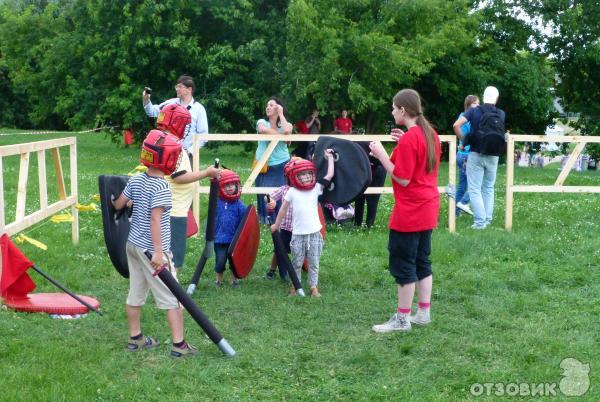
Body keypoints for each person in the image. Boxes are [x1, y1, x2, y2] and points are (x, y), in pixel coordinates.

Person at [113, 130, 197, 358]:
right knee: (173, 297)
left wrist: (129, 200)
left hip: (133, 246)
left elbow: (119, 204)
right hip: (152, 250)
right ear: (168, 158)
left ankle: (136, 339)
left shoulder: (137, 178)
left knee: (135, 292)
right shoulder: (162, 187)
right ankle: (179, 345)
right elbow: (155, 220)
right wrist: (159, 253)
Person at [369, 89, 441, 332]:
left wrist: (380, 155)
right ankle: (423, 313)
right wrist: (403, 142)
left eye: (393, 107)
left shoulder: (412, 137)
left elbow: (402, 178)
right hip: (427, 207)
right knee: (422, 260)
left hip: (410, 212)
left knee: (404, 264)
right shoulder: (429, 133)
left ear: (402, 110)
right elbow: (418, 159)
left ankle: (401, 320)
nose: (391, 111)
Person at [158, 104, 221, 271]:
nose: (186, 129)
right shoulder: (173, 147)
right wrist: (207, 172)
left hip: (169, 208)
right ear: (176, 123)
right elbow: (179, 177)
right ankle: (170, 295)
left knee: (165, 257)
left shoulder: (160, 140)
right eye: (185, 125)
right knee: (173, 261)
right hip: (174, 211)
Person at [270, 151, 335, 297]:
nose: (305, 177)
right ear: (294, 177)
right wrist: (276, 225)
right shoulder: (292, 191)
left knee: (314, 262)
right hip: (297, 235)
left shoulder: (316, 188)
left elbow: (329, 175)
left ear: (312, 174)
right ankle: (295, 286)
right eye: (301, 175)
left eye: (308, 174)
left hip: (314, 234)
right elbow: (282, 210)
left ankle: (313, 287)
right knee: (297, 263)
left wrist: (330, 158)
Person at [453, 86, 505, 229]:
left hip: (476, 153)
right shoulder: (501, 113)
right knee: (488, 187)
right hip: (494, 155)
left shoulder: (474, 111)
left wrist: (464, 141)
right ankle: (487, 220)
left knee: (475, 189)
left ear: (483, 97)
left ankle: (479, 223)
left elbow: (456, 125)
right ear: (496, 98)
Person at [143, 75, 209, 162]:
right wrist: (146, 99)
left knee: (187, 176)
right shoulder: (170, 103)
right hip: (166, 152)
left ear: (189, 89)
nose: (177, 89)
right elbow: (152, 112)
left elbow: (203, 136)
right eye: (176, 86)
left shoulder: (199, 109)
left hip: (187, 155)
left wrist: (189, 152)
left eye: (180, 86)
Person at [255, 96, 293, 223]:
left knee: (280, 192)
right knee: (264, 191)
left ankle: (280, 219)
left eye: (272, 105)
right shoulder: (261, 121)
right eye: (267, 105)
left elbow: (287, 130)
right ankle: (265, 219)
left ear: (278, 108)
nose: (268, 107)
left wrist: (281, 114)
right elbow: (262, 130)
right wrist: (282, 137)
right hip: (264, 163)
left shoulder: (286, 124)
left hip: (281, 162)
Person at [213, 170, 247, 287]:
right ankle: (219, 280)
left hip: (234, 241)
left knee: (234, 263)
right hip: (219, 240)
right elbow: (211, 220)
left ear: (237, 186)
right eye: (226, 185)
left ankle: (234, 280)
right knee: (220, 262)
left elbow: (246, 222)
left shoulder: (239, 205)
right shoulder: (216, 203)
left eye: (231, 185)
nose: (229, 188)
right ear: (220, 187)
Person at [454, 95, 479, 216]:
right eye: (475, 104)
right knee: (479, 183)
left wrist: (463, 142)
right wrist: (465, 142)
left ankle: (455, 212)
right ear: (469, 105)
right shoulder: (470, 118)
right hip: (467, 156)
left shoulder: (462, 116)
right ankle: (463, 203)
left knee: (462, 186)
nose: (478, 106)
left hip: (461, 155)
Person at [354, 141, 387, 228]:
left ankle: (369, 225)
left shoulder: (354, 145)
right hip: (363, 169)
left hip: (377, 167)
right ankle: (357, 224)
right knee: (359, 197)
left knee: (372, 198)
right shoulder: (350, 145)